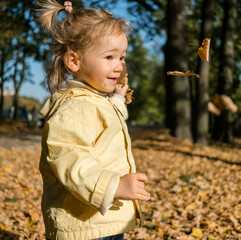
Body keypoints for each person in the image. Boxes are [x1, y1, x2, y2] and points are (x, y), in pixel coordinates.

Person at [36, 1, 151, 239]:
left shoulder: (96, 99)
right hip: (82, 223)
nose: (119, 66)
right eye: (109, 57)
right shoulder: (74, 107)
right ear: (74, 61)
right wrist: (114, 186)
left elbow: (106, 124)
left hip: (102, 217)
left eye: (122, 57)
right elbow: (70, 158)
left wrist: (118, 99)